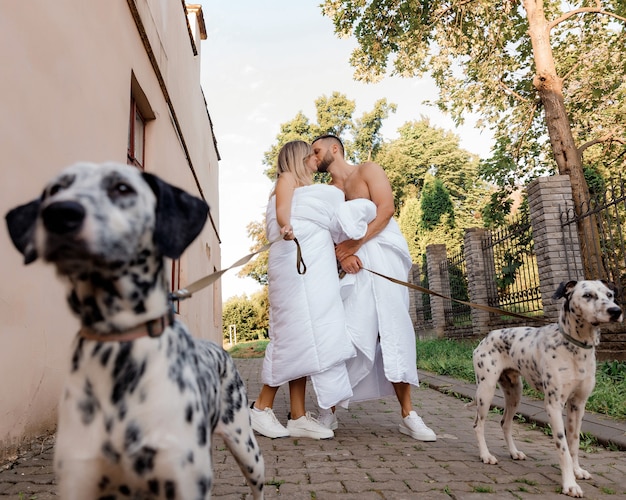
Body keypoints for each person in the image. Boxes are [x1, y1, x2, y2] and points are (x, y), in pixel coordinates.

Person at [310, 134, 437, 442]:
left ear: (334, 149)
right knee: (347, 332)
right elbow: (327, 238)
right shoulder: (327, 193)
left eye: (316, 151)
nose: (313, 158)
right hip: (353, 269)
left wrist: (356, 244)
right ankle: (329, 410)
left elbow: (386, 209)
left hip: (383, 258)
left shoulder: (367, 170)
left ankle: (408, 415)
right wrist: (344, 258)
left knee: (393, 330)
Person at [249, 140, 357, 440]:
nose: (315, 159)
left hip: (302, 271)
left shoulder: (305, 190)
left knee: (305, 342)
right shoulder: (286, 179)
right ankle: (260, 408)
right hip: (290, 268)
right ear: (298, 158)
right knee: (292, 338)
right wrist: (286, 226)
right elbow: (283, 210)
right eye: (311, 155)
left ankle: (297, 416)